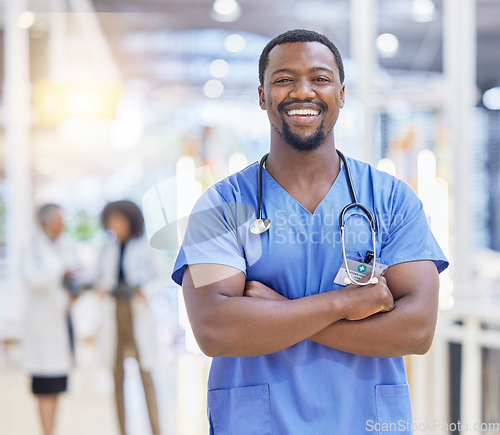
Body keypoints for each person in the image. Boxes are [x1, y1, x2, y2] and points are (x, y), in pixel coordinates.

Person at [172, 29, 449, 434]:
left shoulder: (392, 200)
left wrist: (276, 312)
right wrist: (344, 305)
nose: (303, 91)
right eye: (284, 79)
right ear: (263, 95)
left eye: (319, 78)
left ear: (341, 92)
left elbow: (417, 329)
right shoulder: (221, 205)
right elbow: (216, 330)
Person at [96, 200, 164, 435]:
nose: (115, 225)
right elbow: (99, 277)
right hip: (114, 313)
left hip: (137, 312)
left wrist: (145, 290)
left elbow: (160, 277)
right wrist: (102, 287)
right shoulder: (107, 249)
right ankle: (121, 430)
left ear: (130, 220)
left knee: (146, 374)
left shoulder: (145, 246)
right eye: (111, 221)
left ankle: (156, 429)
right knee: (117, 375)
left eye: (119, 220)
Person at [20, 203, 81, 435]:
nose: (63, 225)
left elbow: (74, 271)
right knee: (44, 387)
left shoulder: (62, 246)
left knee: (56, 385)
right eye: (60, 221)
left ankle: (51, 431)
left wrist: (72, 284)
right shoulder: (31, 247)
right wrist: (60, 272)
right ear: (48, 222)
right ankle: (47, 432)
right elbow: (32, 279)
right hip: (41, 328)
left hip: (60, 322)